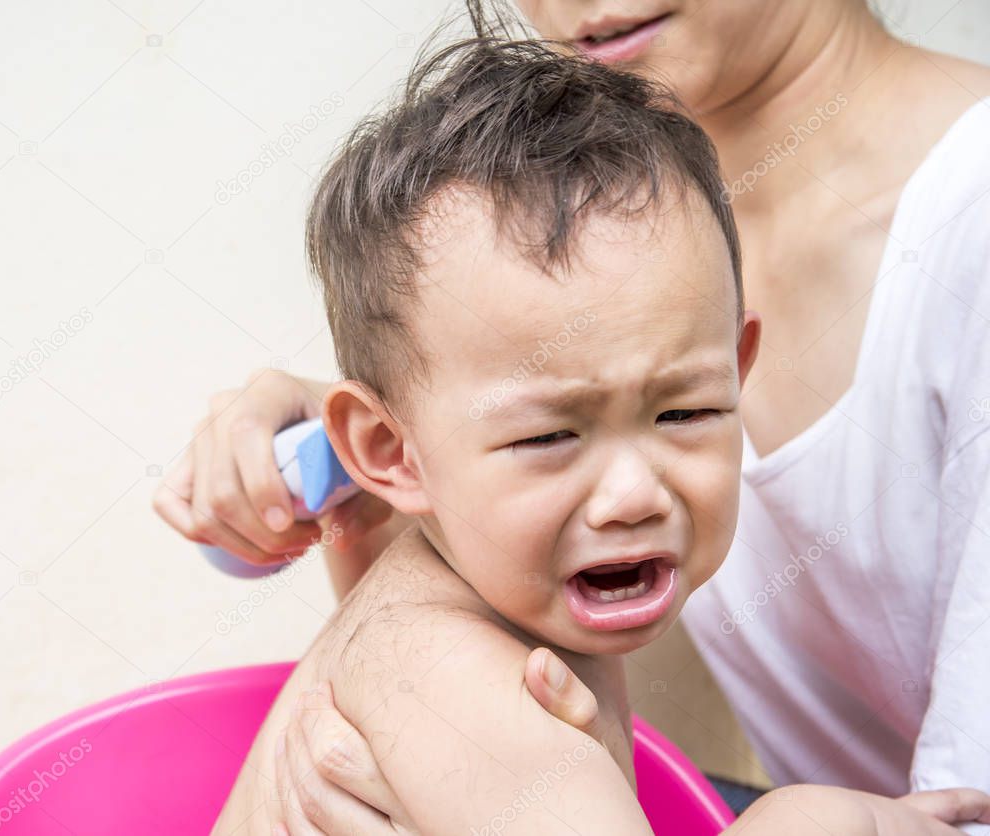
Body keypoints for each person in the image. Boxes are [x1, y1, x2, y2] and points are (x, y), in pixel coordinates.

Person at [154, 0, 990, 831]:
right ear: (386, 451)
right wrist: (807, 823)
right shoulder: (461, 683)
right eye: (549, 435)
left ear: (738, 368)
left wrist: (451, 446)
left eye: (687, 413)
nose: (632, 495)